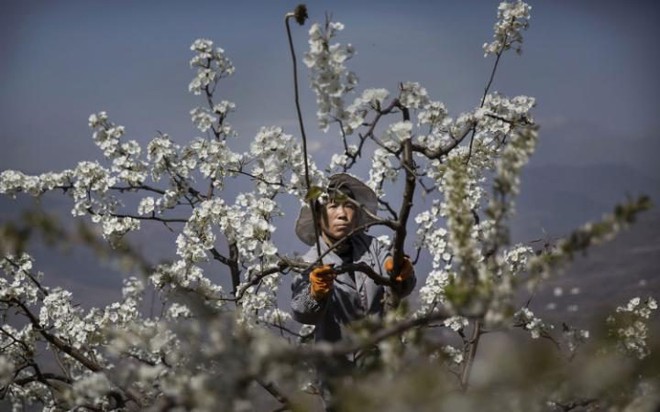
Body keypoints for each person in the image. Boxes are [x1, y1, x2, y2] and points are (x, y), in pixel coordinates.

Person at [290, 173, 416, 409]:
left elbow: (400, 283)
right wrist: (315, 294)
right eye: (333, 206)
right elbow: (301, 312)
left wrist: (403, 273)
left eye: (349, 206)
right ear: (318, 218)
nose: (342, 214)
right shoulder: (310, 263)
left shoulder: (374, 248)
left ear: (357, 213)